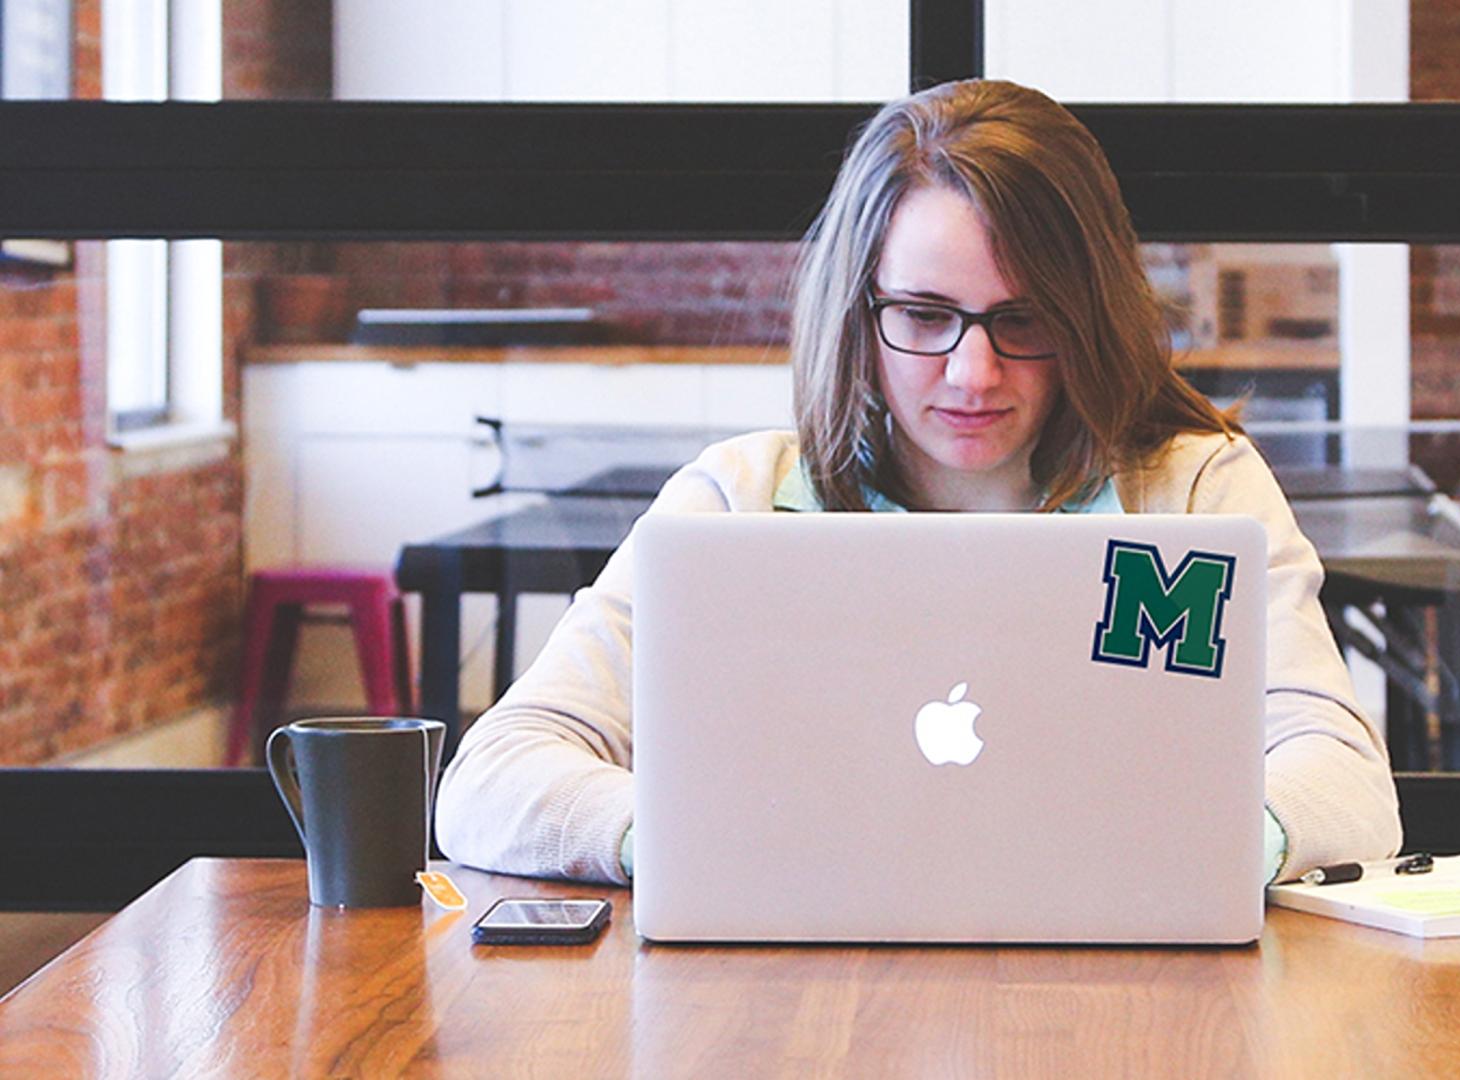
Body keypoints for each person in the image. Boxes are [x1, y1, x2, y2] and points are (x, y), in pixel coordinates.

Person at [434, 78, 1401, 888]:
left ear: (1089, 314)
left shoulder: (1191, 493)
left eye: (1024, 320)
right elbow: (493, 781)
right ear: (858, 309)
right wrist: (696, 842)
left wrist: (1187, 854)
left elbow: (1347, 782)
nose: (974, 374)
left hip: (1125, 983)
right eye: (926, 315)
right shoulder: (740, 502)